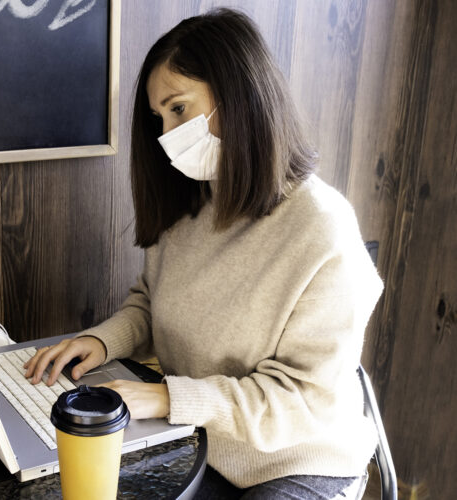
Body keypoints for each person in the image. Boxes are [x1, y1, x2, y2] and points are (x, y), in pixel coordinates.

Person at [24, 8, 382, 499]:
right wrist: (103, 341)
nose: (167, 136)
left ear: (238, 94)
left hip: (297, 461)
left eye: (178, 109)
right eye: (159, 119)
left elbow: (303, 399)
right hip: (199, 442)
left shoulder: (323, 229)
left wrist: (168, 397)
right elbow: (151, 302)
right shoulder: (192, 205)